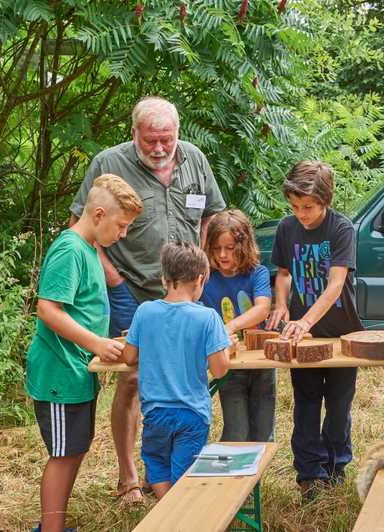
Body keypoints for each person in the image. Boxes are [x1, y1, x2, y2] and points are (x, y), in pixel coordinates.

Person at [69, 96, 226, 502]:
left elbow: (211, 213)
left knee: (184, 370)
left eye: (166, 140)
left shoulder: (194, 158)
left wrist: (200, 267)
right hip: (132, 290)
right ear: (134, 133)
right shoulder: (109, 164)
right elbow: (79, 227)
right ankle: (128, 478)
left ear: (178, 135)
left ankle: (175, 473)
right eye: (150, 140)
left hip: (186, 288)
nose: (159, 149)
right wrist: (115, 280)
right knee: (133, 377)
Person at [25, 174, 143, 532]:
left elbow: (82, 311)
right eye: (121, 226)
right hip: (59, 373)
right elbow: (48, 310)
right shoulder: (70, 249)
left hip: (78, 373)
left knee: (75, 448)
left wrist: (111, 342)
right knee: (63, 455)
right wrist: (97, 344)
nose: (122, 234)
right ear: (98, 214)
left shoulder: (90, 250)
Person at [264, 160, 364, 501]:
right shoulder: (286, 228)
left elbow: (337, 284)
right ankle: (309, 474)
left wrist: (307, 319)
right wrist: (281, 303)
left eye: (308, 207)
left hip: (340, 332)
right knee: (306, 402)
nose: (301, 214)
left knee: (338, 405)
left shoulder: (342, 229)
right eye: (295, 207)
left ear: (326, 200)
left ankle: (336, 468)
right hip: (299, 337)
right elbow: (284, 273)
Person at [122, 241, 231, 499]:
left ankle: (167, 510)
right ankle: (177, 515)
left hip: (155, 412)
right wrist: (224, 346)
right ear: (200, 279)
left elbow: (129, 357)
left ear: (164, 279)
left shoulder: (145, 312)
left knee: (157, 467)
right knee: (184, 477)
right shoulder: (208, 317)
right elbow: (220, 369)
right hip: (192, 414)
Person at [200, 210, 274, 442]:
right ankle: (233, 476)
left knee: (263, 432)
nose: (222, 255)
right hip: (228, 365)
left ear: (244, 245)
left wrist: (227, 327)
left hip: (261, 363)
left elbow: (262, 308)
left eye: (230, 248)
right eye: (216, 248)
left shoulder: (257, 273)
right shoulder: (205, 279)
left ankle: (256, 478)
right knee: (237, 432)